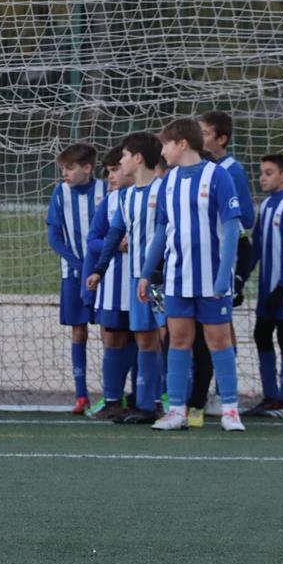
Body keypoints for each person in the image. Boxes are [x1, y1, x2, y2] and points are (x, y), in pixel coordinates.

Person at [135, 118, 244, 433]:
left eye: (166, 145)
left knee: (219, 341)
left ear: (182, 144)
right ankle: (176, 411)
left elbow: (232, 229)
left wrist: (223, 278)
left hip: (211, 279)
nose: (162, 152)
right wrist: (146, 273)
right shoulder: (168, 181)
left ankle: (231, 410)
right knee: (178, 341)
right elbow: (161, 231)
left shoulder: (218, 176)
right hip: (177, 279)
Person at [86, 132, 165, 423]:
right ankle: (145, 405)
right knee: (144, 339)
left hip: (161, 280)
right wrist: (99, 269)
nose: (120, 162)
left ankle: (170, 401)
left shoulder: (165, 190)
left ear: (138, 158)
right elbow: (114, 235)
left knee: (168, 338)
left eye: (125, 157)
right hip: (136, 280)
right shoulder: (125, 196)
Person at [196, 110, 256, 425]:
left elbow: (246, 218)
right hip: (203, 258)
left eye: (205, 132)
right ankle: (201, 393)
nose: (200, 136)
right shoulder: (200, 169)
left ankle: (224, 394)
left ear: (221, 138)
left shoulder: (231, 170)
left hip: (224, 257)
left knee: (222, 327)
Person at [243, 154, 283, 419]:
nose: (262, 178)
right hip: (267, 288)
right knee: (261, 334)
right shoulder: (267, 205)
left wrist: (282, 286)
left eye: (268, 173)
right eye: (261, 173)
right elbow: (257, 247)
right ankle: (270, 396)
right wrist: (241, 278)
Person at [45, 142, 104, 412]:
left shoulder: (106, 190)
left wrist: (98, 265)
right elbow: (54, 237)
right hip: (73, 274)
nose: (64, 173)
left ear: (87, 168)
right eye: (63, 168)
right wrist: (78, 263)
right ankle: (81, 394)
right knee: (78, 329)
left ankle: (112, 393)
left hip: (104, 274)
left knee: (110, 331)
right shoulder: (60, 193)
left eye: (70, 168)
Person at [81, 146, 136, 421]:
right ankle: (113, 399)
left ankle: (144, 399)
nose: (110, 177)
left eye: (115, 170)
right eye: (108, 171)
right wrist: (115, 246)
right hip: (113, 284)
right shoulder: (110, 201)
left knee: (145, 339)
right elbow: (92, 240)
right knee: (113, 337)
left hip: (141, 284)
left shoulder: (153, 195)